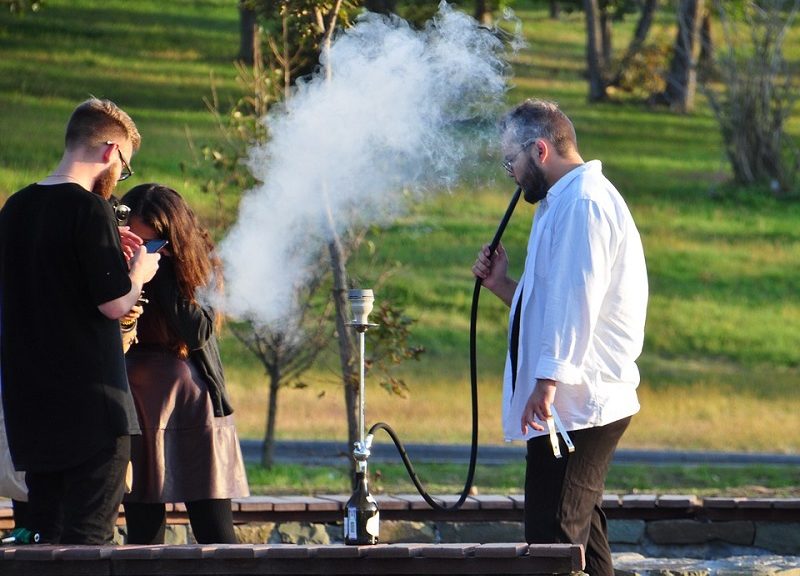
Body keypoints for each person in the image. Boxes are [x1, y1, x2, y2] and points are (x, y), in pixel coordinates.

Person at [472, 99, 648, 576]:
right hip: (570, 404)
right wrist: (504, 285)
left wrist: (547, 382)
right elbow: (553, 306)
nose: (511, 171)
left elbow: (577, 300)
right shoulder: (562, 202)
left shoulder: (583, 204)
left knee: (551, 543)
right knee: (583, 543)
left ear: (541, 149)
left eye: (512, 160)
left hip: (576, 406)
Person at [0, 98, 161, 544]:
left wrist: (106, 241)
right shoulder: (89, 209)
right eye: (124, 165)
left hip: (31, 407)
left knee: (43, 539)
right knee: (88, 544)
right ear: (111, 151)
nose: (119, 175)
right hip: (91, 410)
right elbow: (113, 305)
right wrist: (138, 272)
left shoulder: (15, 207)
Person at [119, 183, 249, 545]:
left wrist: (156, 272)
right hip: (136, 403)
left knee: (215, 530)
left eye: (153, 244)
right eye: (135, 241)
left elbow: (199, 331)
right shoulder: (111, 262)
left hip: (190, 402)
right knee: (143, 534)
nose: (141, 251)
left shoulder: (195, 264)